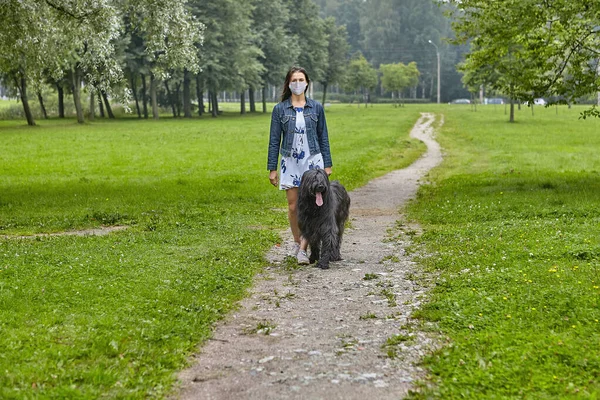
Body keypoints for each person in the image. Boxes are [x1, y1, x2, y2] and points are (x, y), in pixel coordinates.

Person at [267, 66, 333, 264]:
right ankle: (297, 243)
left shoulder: (316, 108)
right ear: (288, 83)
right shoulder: (280, 110)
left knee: (312, 206)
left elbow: (323, 136)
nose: (297, 83)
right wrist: (272, 168)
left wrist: (327, 164)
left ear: (307, 83)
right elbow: (273, 140)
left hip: (312, 161)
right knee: (294, 206)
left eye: (301, 80)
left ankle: (304, 249)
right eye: (294, 80)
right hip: (290, 161)